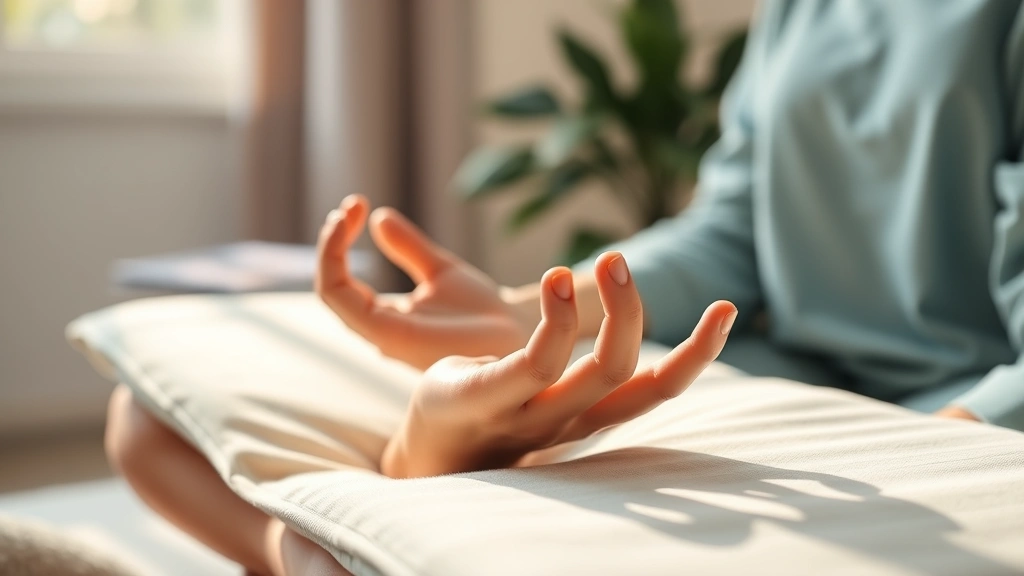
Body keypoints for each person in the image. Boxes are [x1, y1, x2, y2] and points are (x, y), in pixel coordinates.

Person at [103, 1, 1024, 574]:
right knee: (147, 418)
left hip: (941, 413)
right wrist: (523, 312)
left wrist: (888, 463)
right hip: (773, 372)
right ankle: (308, 560)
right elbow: (734, 229)